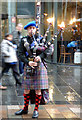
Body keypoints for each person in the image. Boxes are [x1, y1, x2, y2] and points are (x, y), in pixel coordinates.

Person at [15, 21, 48, 118]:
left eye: (33, 28)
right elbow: (20, 54)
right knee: (26, 89)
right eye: (29, 28)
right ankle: (25, 108)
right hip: (28, 66)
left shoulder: (41, 39)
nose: (31, 30)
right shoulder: (23, 40)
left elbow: (47, 51)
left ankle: (36, 110)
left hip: (39, 66)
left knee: (38, 90)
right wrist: (28, 62)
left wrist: (40, 57)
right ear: (27, 30)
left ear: (36, 29)